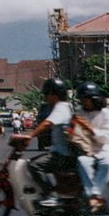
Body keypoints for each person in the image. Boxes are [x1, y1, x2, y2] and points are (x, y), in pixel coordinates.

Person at [26, 77, 75, 207]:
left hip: (62, 155)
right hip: (62, 152)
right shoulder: (66, 106)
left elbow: (47, 123)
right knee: (34, 162)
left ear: (54, 94)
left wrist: (29, 136)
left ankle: (50, 196)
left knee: (34, 166)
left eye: (47, 94)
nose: (45, 98)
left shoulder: (60, 107)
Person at [73, 82, 109, 212]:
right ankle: (90, 195)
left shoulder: (107, 114)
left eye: (85, 99)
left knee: (108, 163)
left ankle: (95, 195)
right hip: (88, 148)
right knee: (82, 162)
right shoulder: (80, 112)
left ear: (93, 99)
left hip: (106, 147)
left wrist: (89, 128)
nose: (83, 102)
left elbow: (106, 136)